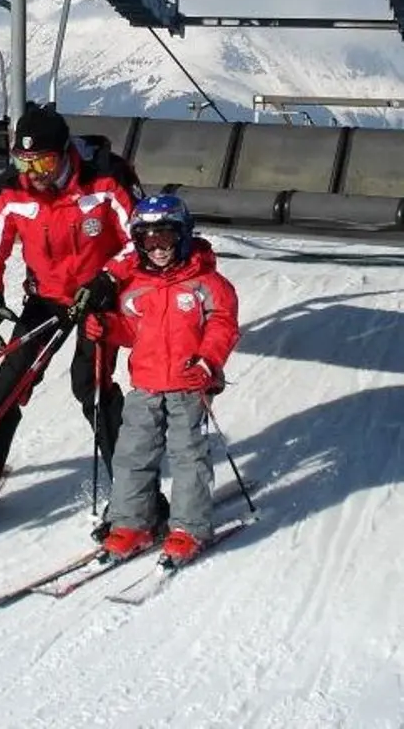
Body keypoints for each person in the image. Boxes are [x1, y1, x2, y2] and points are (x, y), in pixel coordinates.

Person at [0, 101, 144, 531]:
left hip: (99, 295)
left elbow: (142, 236)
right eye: (24, 159)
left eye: (42, 159)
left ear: (65, 153)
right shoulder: (12, 190)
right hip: (47, 297)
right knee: (12, 378)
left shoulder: (106, 179)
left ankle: (130, 481)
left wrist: (108, 280)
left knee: (91, 385)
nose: (34, 171)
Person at [88, 193, 239, 565]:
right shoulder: (134, 285)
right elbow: (130, 330)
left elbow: (223, 325)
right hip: (146, 384)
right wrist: (106, 326)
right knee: (131, 454)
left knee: (187, 456)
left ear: (184, 235)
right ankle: (132, 521)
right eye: (147, 240)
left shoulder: (207, 283)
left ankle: (189, 527)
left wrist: (208, 362)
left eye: (165, 238)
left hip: (189, 384)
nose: (157, 248)